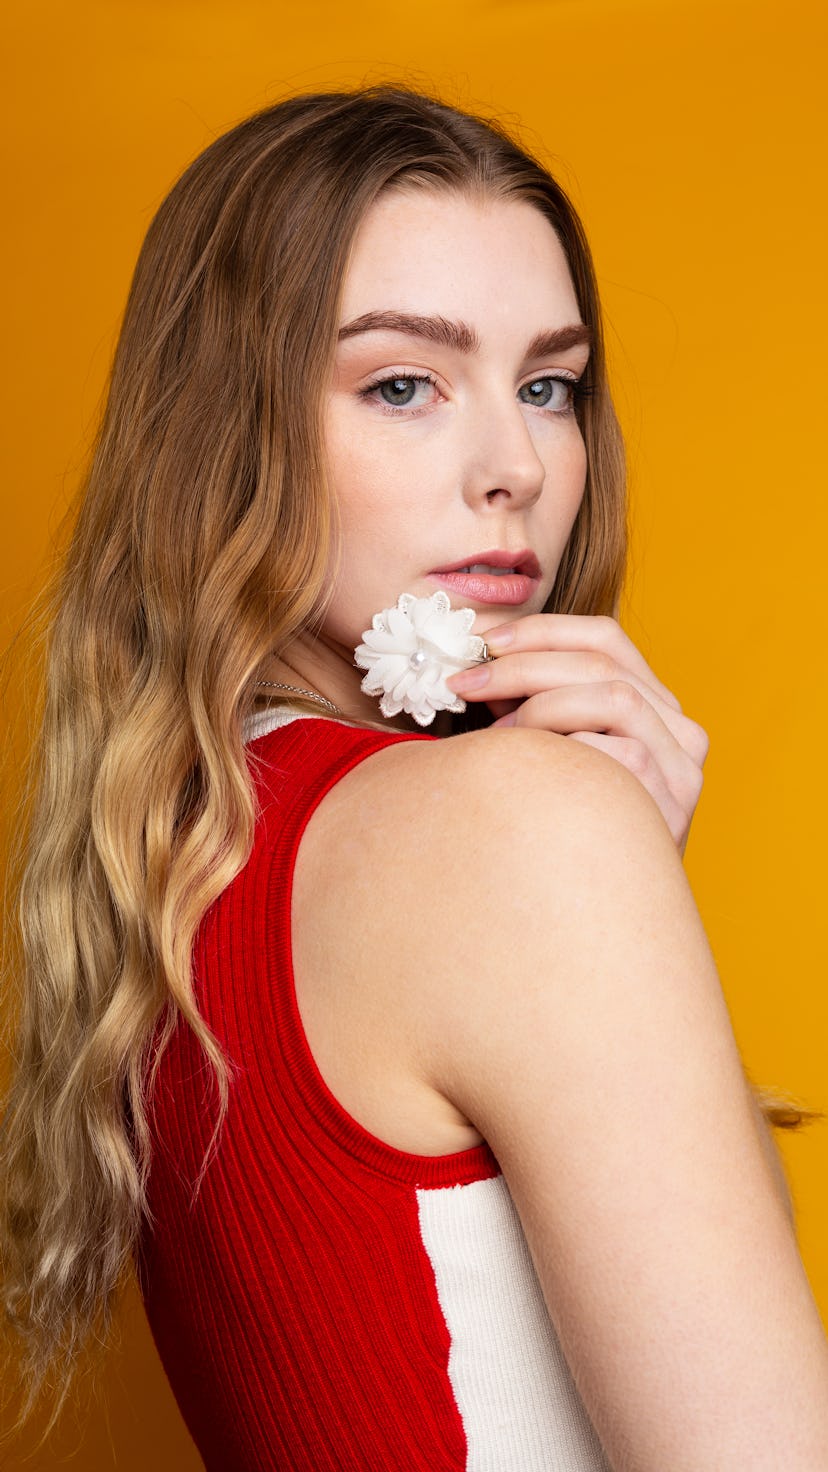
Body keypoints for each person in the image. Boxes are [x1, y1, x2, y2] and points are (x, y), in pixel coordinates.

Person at [1, 84, 827, 1471]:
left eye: (550, 385)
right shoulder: (514, 833)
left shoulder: (177, 852)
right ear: (226, 436)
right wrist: (599, 872)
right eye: (402, 383)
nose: (515, 468)